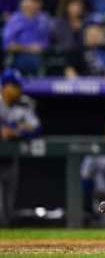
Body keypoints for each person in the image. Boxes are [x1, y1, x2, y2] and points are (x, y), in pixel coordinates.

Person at [0, 69, 41, 226]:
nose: (19, 90)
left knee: (8, 207)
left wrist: (14, 130)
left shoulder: (24, 103)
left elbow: (36, 128)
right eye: (16, 86)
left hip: (11, 158)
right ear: (6, 87)